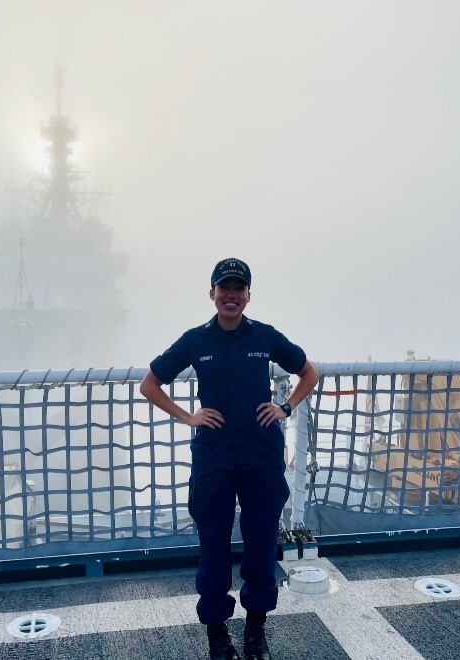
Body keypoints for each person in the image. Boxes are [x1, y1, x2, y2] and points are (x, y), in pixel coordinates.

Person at [140, 257, 319, 660]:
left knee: (259, 546)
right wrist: (188, 416)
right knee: (214, 546)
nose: (231, 295)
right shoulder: (195, 340)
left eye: (239, 288)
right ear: (212, 294)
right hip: (214, 458)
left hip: (261, 457)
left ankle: (256, 632)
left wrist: (285, 408)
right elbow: (149, 384)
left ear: (248, 295)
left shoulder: (266, 337)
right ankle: (216, 635)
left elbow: (309, 373)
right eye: (225, 288)